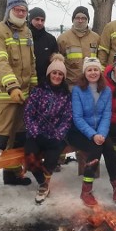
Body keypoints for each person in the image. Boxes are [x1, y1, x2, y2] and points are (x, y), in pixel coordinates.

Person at [0, 0, 36, 196]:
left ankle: (12, 174)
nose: (21, 13)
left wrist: (34, 88)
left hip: (24, 95)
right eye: (17, 9)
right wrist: (12, 86)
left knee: (19, 138)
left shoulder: (27, 32)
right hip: (4, 96)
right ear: (9, 11)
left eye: (24, 10)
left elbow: (32, 63)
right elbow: (0, 62)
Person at [66, 57, 116, 207]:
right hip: (79, 132)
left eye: (96, 69)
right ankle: (86, 190)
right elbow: (77, 118)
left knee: (108, 146)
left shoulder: (106, 90)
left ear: (100, 72)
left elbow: (106, 115)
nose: (93, 72)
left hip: (99, 131)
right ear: (85, 72)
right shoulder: (78, 90)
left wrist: (101, 134)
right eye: (89, 69)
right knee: (96, 147)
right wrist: (93, 135)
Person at [23, 54, 72, 203]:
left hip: (56, 135)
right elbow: (28, 113)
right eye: (54, 73)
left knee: (51, 157)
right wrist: (35, 131)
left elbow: (68, 118)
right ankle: (42, 181)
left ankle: (45, 185)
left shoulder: (66, 95)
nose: (57, 76)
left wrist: (59, 133)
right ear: (49, 74)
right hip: (37, 133)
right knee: (30, 157)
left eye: (60, 74)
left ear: (63, 77)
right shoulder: (38, 91)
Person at [57, 6, 100, 88]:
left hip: (92, 84)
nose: (80, 20)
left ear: (88, 20)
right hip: (71, 85)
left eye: (83, 18)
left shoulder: (96, 38)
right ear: (73, 19)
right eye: (77, 18)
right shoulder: (63, 39)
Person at [28, 7, 58, 86]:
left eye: (42, 20)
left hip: (45, 84)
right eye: (37, 19)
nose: (40, 22)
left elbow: (55, 63)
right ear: (30, 20)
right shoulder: (24, 37)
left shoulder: (50, 39)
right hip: (26, 82)